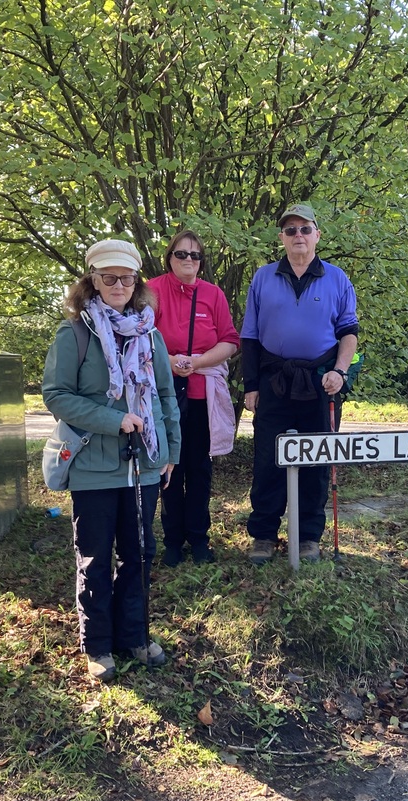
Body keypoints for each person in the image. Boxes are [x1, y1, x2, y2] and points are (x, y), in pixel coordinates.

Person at [42, 239, 181, 681]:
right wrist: (113, 418)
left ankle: (135, 637)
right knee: (96, 557)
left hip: (143, 465)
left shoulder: (150, 334)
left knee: (139, 554)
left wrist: (171, 451)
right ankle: (98, 645)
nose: (118, 285)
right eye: (108, 277)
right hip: (92, 468)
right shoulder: (75, 333)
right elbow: (56, 395)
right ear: (92, 281)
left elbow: (164, 396)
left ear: (137, 282)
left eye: (126, 277)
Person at [240, 202, 359, 564]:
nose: (298, 236)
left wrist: (339, 371)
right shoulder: (262, 277)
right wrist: (251, 385)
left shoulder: (337, 278)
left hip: (320, 383)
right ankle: (263, 534)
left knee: (316, 462)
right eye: (290, 230)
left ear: (317, 235)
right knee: (267, 460)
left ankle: (308, 536)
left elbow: (349, 333)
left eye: (305, 229)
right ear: (282, 238)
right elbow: (249, 337)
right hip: (274, 381)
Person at [150, 230, 240, 567]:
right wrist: (169, 361)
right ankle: (172, 541)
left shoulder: (213, 295)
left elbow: (230, 340)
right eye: (181, 254)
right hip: (164, 393)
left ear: (202, 261)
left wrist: (198, 362)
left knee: (200, 469)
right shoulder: (152, 290)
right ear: (169, 257)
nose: (188, 260)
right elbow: (141, 336)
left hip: (203, 394)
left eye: (195, 255)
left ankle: (200, 539)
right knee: (169, 467)